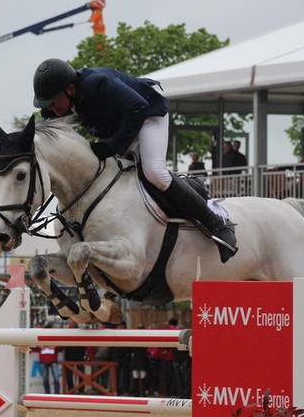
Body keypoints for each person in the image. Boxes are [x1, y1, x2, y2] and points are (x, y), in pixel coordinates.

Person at [32, 58, 237, 263]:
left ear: (70, 89)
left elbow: (138, 107)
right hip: (120, 125)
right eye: (47, 104)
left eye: (54, 102)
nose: (52, 109)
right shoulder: (54, 105)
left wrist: (112, 146)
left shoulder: (98, 83)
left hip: (148, 116)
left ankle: (217, 224)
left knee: (154, 172)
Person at [169, 318, 191, 399]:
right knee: (179, 381)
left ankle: (186, 396)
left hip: (184, 362)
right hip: (178, 361)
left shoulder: (187, 340)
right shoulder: (176, 340)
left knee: (185, 381)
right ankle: (181, 395)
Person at [63, 318, 86, 393]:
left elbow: (83, 345)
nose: (69, 323)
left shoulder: (78, 331)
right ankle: (71, 389)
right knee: (70, 374)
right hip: (70, 356)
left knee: (81, 374)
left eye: (70, 321)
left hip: (78, 356)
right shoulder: (67, 332)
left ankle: (79, 389)